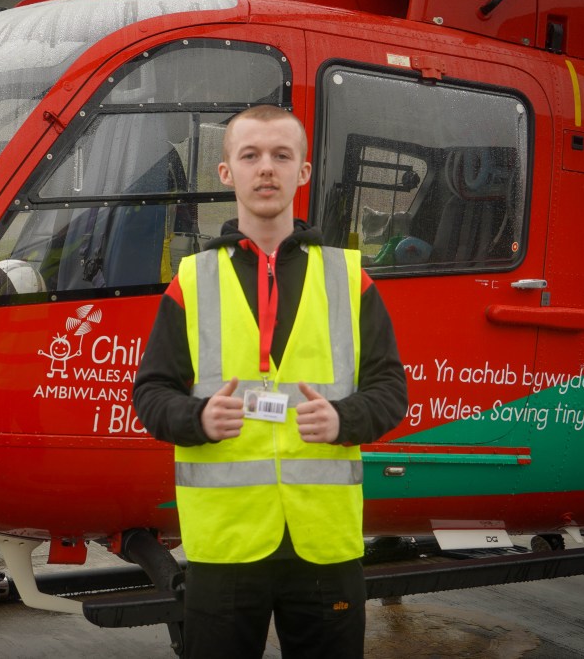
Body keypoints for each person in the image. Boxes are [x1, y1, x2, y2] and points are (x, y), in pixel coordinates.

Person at [132, 105, 407, 659]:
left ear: (303, 172)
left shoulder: (350, 279)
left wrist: (343, 419)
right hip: (226, 546)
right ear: (226, 172)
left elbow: (390, 390)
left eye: (282, 156)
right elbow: (151, 393)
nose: (267, 169)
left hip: (324, 545)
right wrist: (198, 418)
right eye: (250, 155)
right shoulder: (192, 281)